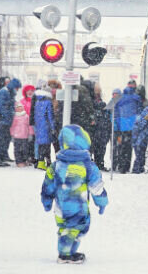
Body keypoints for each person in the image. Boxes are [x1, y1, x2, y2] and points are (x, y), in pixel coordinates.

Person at [41, 124, 109, 264]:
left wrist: (47, 201)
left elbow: (48, 187)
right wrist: (102, 202)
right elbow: (96, 187)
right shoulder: (88, 166)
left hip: (60, 207)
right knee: (76, 228)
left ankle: (69, 252)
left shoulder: (56, 166)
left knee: (66, 228)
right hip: (79, 208)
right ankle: (65, 254)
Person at [111, 80, 141, 173]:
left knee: (121, 146)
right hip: (132, 127)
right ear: (135, 87)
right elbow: (139, 112)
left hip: (122, 126)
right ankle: (127, 166)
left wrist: (116, 122)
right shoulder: (137, 98)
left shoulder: (120, 97)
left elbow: (114, 111)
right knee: (129, 148)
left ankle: (121, 166)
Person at [0, 76, 22, 165]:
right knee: (2, 139)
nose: (17, 90)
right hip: (3, 120)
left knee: (6, 139)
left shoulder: (9, 92)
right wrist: (8, 116)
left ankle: (4, 156)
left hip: (7, 120)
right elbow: (0, 106)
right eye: (16, 88)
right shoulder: (4, 92)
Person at [31, 78, 56, 169]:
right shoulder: (48, 102)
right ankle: (45, 163)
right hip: (46, 126)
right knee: (46, 146)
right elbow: (50, 116)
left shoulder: (38, 101)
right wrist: (53, 127)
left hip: (39, 126)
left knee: (41, 145)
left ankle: (41, 162)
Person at [10, 85, 35, 166]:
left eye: (32, 90)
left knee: (30, 144)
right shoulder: (21, 102)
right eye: (28, 90)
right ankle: (21, 160)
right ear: (25, 92)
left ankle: (30, 158)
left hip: (32, 125)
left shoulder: (35, 101)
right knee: (21, 146)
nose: (30, 92)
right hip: (22, 126)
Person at [131, 99, 148, 174]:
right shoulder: (147, 111)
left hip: (138, 136)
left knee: (139, 153)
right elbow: (141, 124)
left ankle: (138, 168)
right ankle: (137, 169)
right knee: (140, 153)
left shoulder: (138, 112)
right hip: (142, 136)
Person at [91, 83, 111, 170]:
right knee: (101, 149)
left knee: (97, 149)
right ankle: (100, 163)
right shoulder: (101, 106)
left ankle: (98, 163)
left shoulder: (93, 104)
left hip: (97, 132)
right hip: (101, 132)